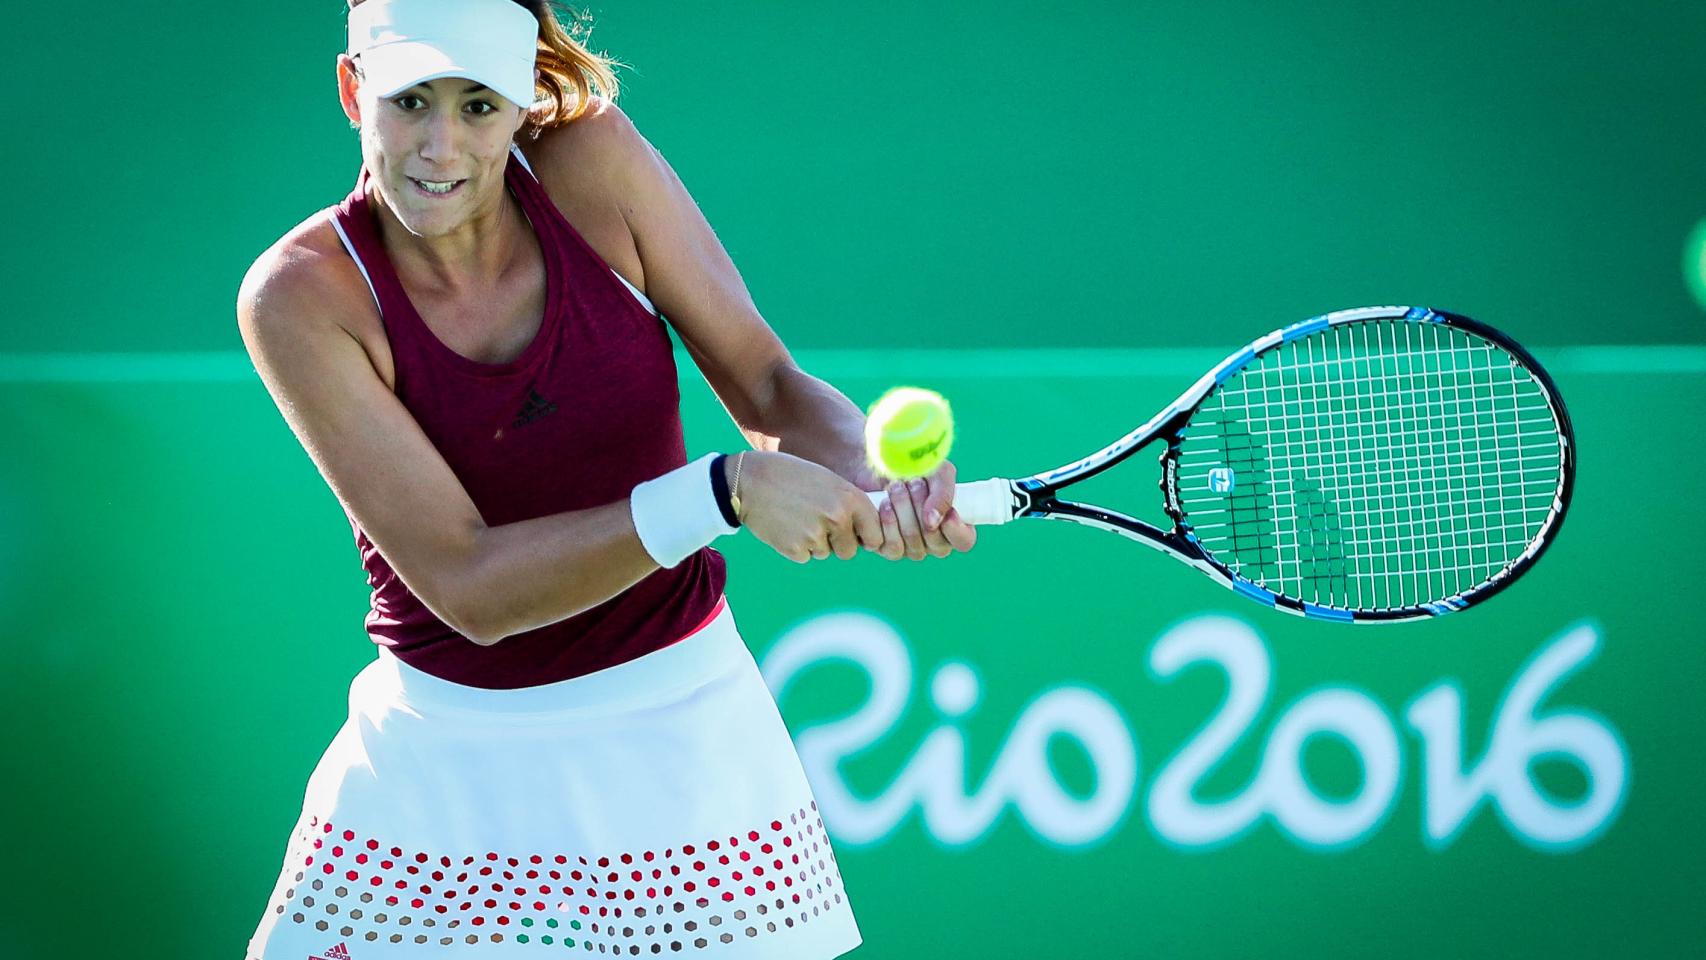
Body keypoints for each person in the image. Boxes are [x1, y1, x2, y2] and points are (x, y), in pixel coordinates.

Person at [238, 1, 975, 957]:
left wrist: (878, 475)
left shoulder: (592, 166)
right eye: (410, 100)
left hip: (686, 735)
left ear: (522, 102)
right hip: (438, 761)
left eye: (479, 106)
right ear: (352, 90)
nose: (440, 146)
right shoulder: (302, 295)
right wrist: (723, 492)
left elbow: (767, 382)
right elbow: (471, 587)